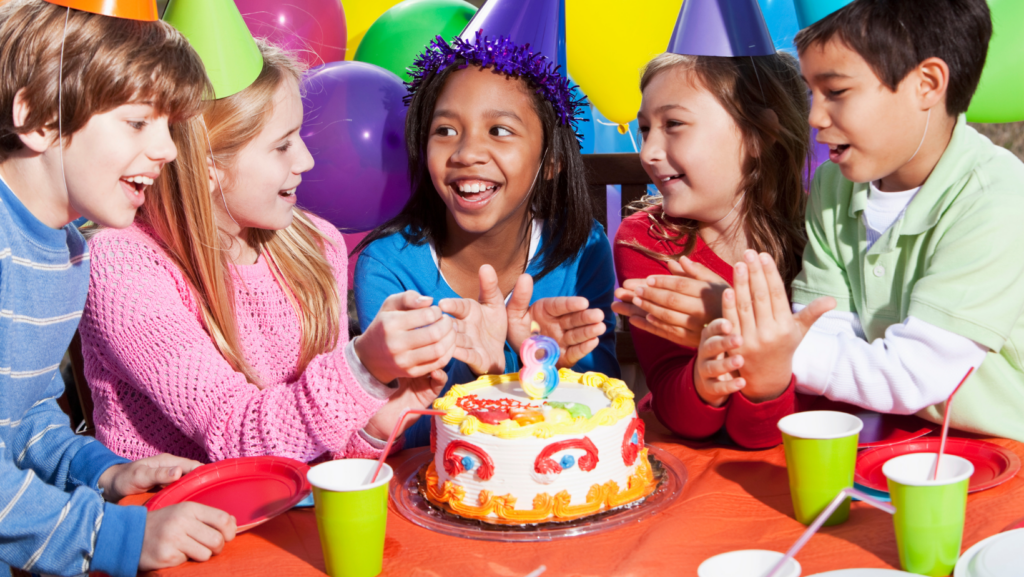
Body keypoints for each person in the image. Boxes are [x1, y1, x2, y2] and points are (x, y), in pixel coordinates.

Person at [79, 39, 457, 464]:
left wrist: (375, 424)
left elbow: (318, 455)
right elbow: (237, 439)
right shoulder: (123, 265)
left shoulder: (315, 245)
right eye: (283, 145)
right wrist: (362, 368)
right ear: (207, 167)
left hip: (285, 518)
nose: (307, 160)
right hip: (171, 517)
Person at [0, 1, 237, 574]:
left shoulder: (67, 254)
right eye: (137, 122)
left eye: (169, 126)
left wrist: (103, 472)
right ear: (38, 118)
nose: (168, 150)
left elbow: (21, 419)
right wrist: (111, 534)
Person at [719, 0, 1024, 442]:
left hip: (1007, 456)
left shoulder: (997, 198)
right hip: (891, 438)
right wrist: (783, 344)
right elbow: (824, 327)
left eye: (837, 92)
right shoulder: (833, 187)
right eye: (811, 92)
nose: (814, 117)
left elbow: (911, 375)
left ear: (928, 83)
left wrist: (767, 346)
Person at [355, 33, 619, 448]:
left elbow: (605, 409)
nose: (466, 152)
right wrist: (487, 371)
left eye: (498, 130)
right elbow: (402, 431)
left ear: (549, 162)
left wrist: (541, 364)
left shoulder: (582, 250)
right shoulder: (389, 268)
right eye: (445, 130)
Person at [613, 50, 832, 449]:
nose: (647, 152)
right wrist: (702, 380)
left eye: (674, 124)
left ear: (757, 135)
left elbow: (774, 429)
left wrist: (729, 325)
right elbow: (676, 406)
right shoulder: (645, 240)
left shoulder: (824, 230)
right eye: (646, 129)